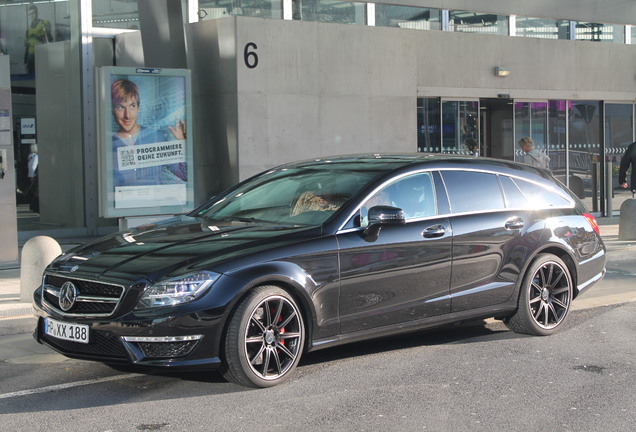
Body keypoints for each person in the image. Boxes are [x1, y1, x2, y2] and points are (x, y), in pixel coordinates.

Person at [111, 78, 187, 187]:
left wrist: (181, 143)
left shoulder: (156, 137)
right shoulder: (109, 144)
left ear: (138, 108)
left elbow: (184, 175)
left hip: (154, 203)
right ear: (113, 110)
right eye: (121, 107)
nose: (127, 115)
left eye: (132, 106)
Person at [24, 5, 52, 75]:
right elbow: (27, 47)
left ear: (37, 13)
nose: (32, 16)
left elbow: (48, 40)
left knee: (42, 76)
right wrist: (25, 60)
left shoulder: (43, 24)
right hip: (31, 59)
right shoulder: (28, 29)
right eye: (30, 14)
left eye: (33, 13)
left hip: (41, 56)